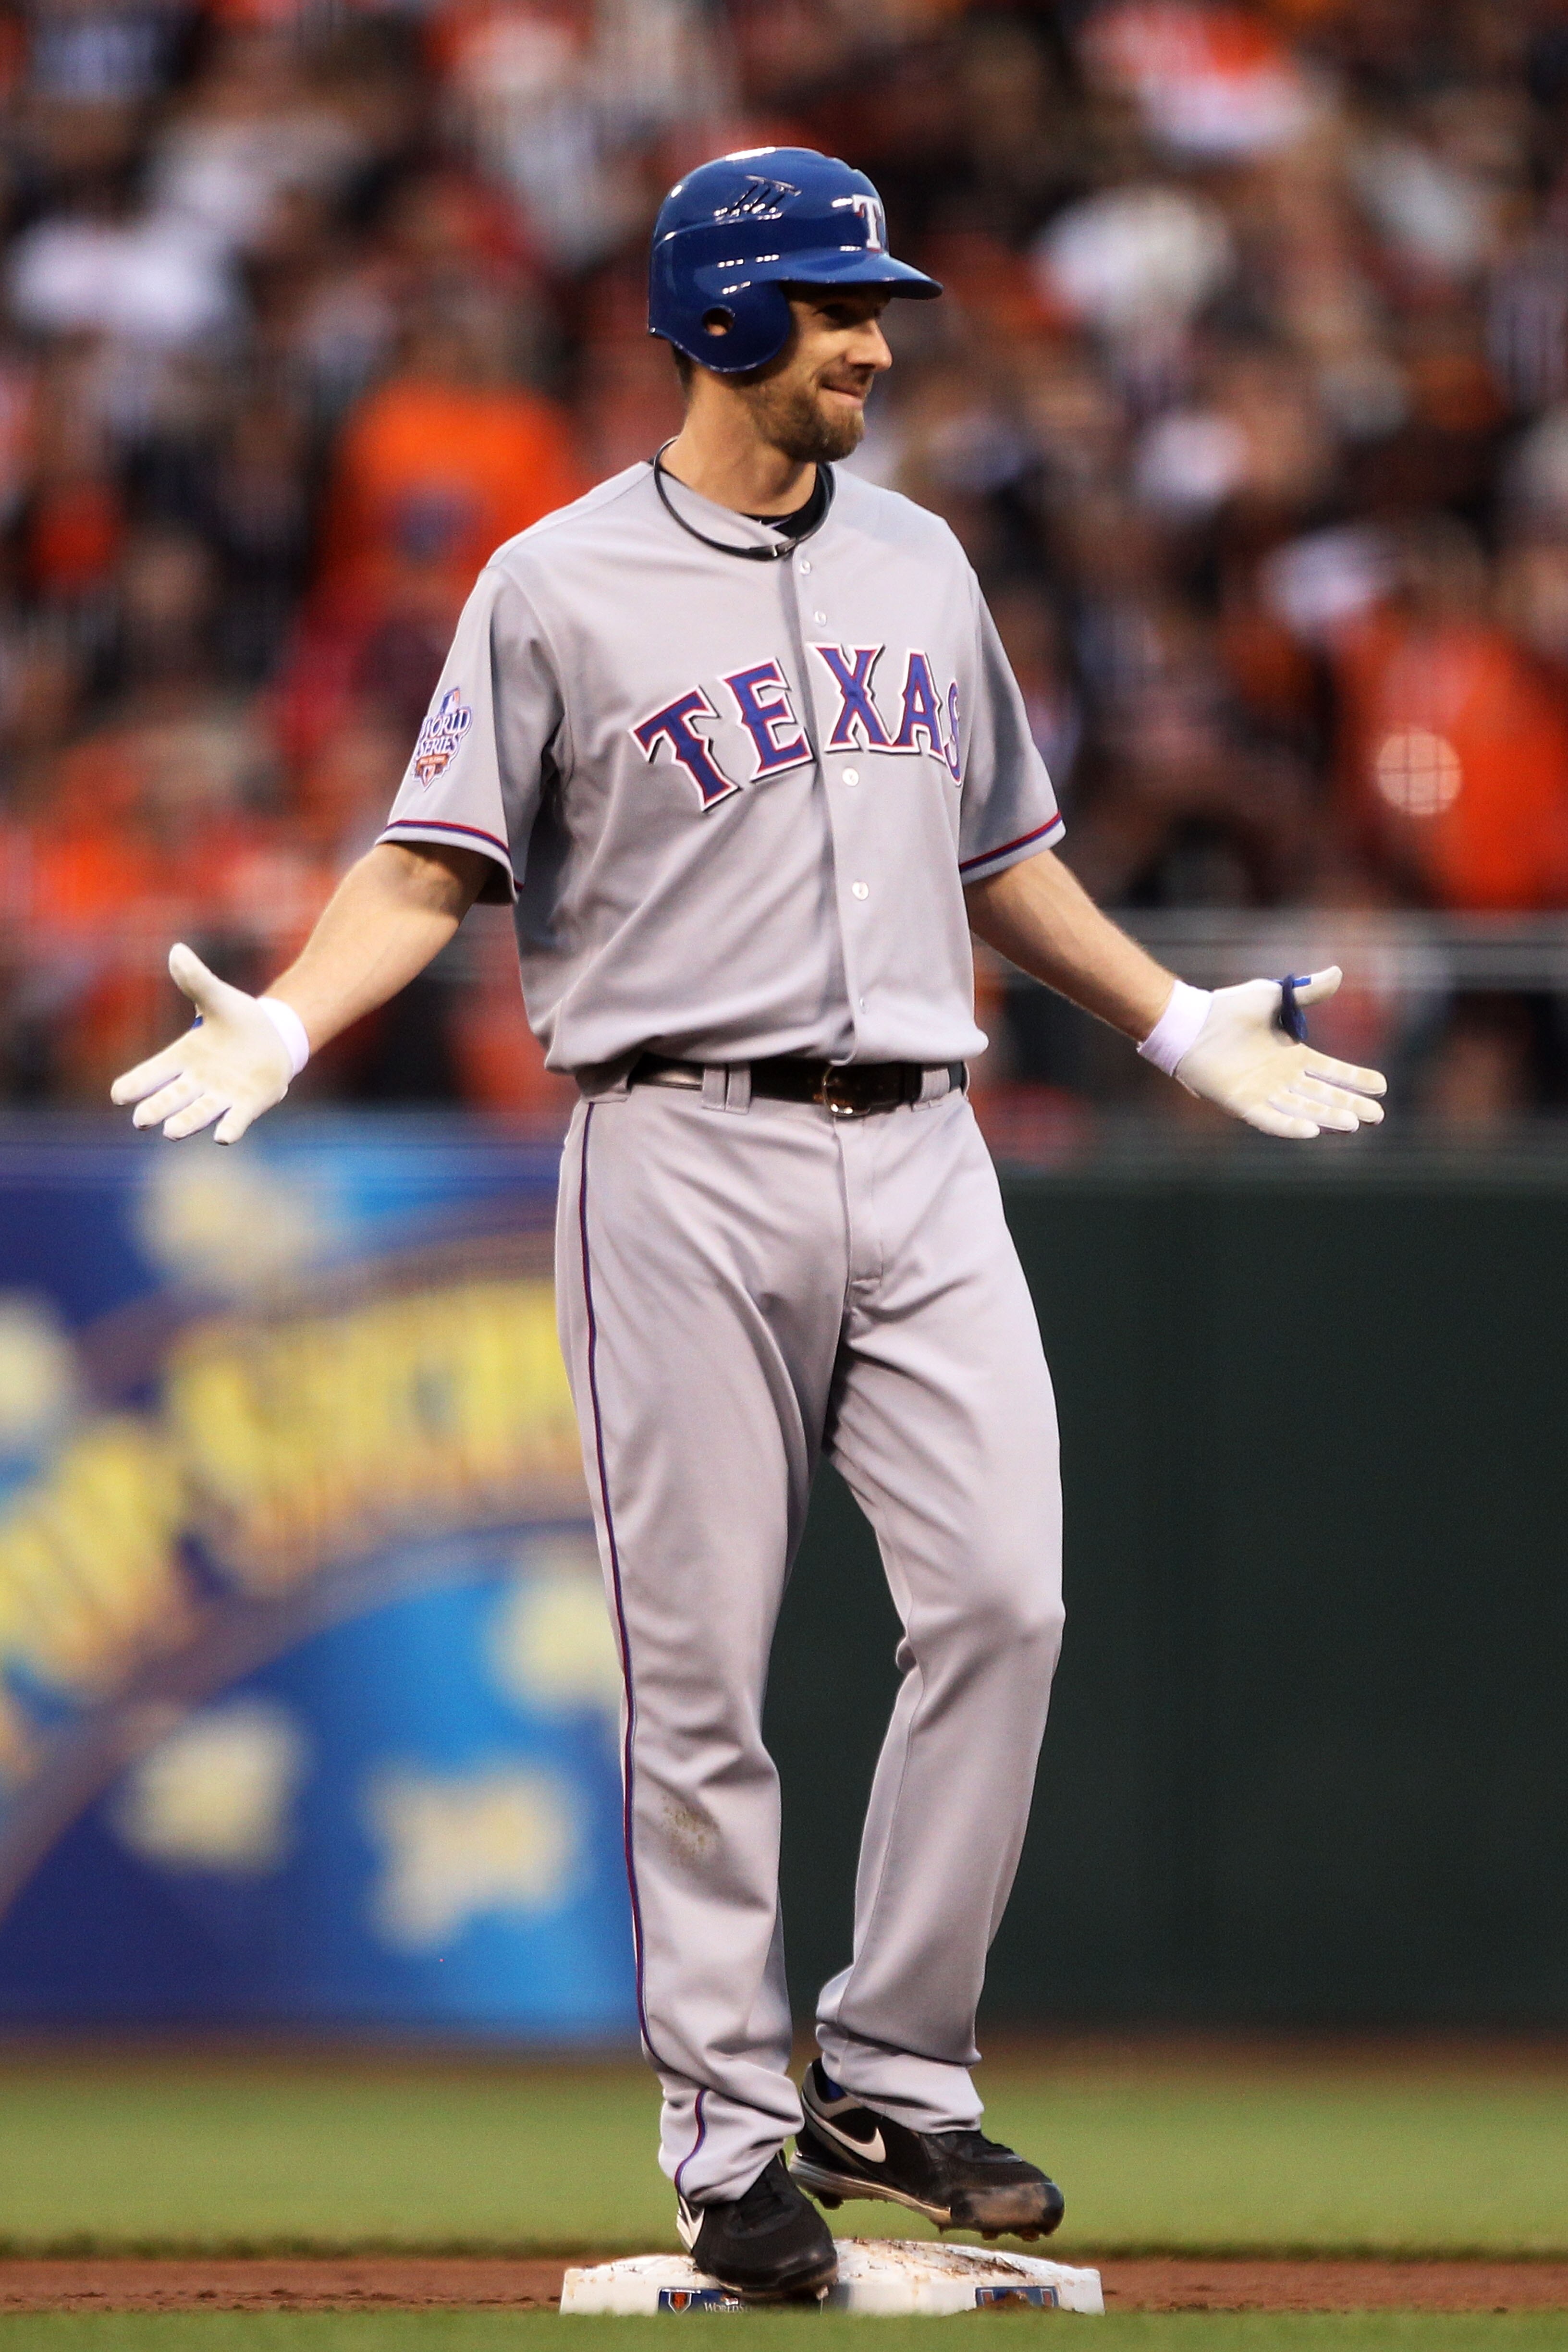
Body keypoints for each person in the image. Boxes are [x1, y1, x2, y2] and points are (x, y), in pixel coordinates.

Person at [110, 149, 1386, 2302]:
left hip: (924, 1142)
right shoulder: (554, 585)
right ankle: (725, 2139)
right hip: (676, 1141)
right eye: (830, 306)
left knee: (1008, 1604)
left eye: (871, 301)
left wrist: (1175, 1024)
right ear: (717, 323)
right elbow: (426, 867)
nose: (874, 339)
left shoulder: (922, 565)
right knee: (697, 1677)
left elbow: (1003, 862)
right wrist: (297, 1025)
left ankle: (891, 2063)